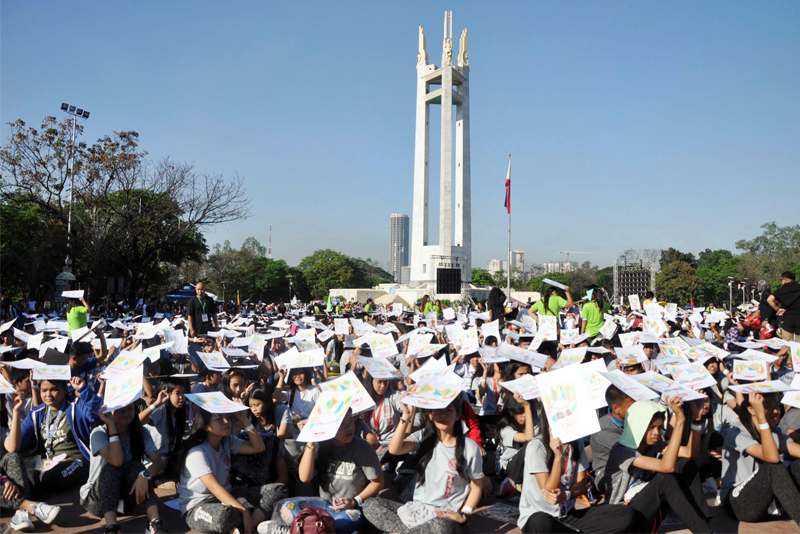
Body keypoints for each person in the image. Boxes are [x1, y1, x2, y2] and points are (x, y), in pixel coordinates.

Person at [362, 397, 483, 534]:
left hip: (446, 518)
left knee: (440, 527)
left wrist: (464, 515)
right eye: (438, 410)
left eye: (448, 410)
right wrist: (406, 416)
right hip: (417, 512)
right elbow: (394, 449)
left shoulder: (470, 447)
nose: (443, 415)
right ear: (431, 415)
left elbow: (476, 486)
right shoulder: (424, 436)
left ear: (457, 416)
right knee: (371, 505)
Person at [516, 402, 636, 534]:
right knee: (539, 522)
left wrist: (567, 495)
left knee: (624, 513)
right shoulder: (536, 446)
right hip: (540, 517)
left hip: (568, 516)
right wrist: (557, 457)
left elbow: (582, 484)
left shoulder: (576, 443)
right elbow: (549, 492)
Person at [601, 398, 712, 534]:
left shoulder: (652, 444)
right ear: (638, 426)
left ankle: (702, 522)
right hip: (622, 519)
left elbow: (690, 453)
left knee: (685, 464)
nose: (656, 433)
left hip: (645, 509)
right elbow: (667, 467)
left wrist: (696, 419)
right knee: (665, 479)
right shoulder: (622, 451)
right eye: (651, 427)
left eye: (659, 427)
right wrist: (680, 421)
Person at [177, 406, 289, 533]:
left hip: (228, 496)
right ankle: (252, 521)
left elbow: (258, 447)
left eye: (228, 418)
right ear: (206, 426)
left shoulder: (227, 441)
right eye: (219, 419)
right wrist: (244, 511)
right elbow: (214, 487)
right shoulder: (197, 452)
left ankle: (247, 526)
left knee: (278, 489)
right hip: (198, 506)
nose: (226, 422)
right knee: (224, 516)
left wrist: (244, 419)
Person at [4, 376, 101, 498]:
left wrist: (84, 389)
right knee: (21, 476)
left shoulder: (75, 406)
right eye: (44, 390)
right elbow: (15, 447)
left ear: (65, 390)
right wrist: (16, 411)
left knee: (50, 478)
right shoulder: (36, 413)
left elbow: (96, 415)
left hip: (76, 460)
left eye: (54, 389)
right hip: (48, 462)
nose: (48, 394)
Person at [80, 402, 167, 534]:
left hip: (126, 501)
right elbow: (116, 461)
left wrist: (145, 475)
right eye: (120, 410)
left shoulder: (140, 431)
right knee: (112, 468)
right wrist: (111, 426)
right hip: (98, 500)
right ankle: (111, 527)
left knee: (137, 468)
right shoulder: (98, 433)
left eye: (130, 409)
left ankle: (155, 523)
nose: (126, 413)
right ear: (109, 412)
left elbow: (158, 462)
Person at [292, 408, 384, 531]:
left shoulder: (362, 448)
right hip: (325, 505)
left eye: (350, 421)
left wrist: (354, 501)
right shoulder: (320, 445)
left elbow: (378, 482)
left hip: (353, 509)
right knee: (287, 509)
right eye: (341, 424)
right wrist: (311, 439)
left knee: (335, 524)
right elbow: (304, 477)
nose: (349, 428)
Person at [721, 392, 800, 523]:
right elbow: (772, 458)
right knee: (773, 466)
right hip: (739, 502)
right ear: (752, 409)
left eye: (777, 406)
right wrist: (761, 418)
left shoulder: (775, 431)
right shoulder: (736, 431)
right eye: (767, 406)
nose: (776, 411)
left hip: (767, 501)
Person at [3, 395, 62, 532]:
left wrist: (16, 411)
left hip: (5, 489)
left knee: (13, 456)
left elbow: (12, 448)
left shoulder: (2, 431)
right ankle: (30, 506)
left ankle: (20, 513)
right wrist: (2, 479)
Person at [140, 379, 188, 478]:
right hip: (153, 462)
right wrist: (157, 403)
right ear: (167, 394)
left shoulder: (179, 415)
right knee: (166, 463)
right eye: (178, 393)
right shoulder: (161, 410)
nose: (181, 397)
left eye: (183, 393)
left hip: (168, 457)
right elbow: (139, 421)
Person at [590, 385, 634, 487]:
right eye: (632, 406)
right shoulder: (603, 430)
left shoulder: (631, 419)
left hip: (630, 466)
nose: (637, 409)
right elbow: (633, 451)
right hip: (607, 475)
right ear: (616, 408)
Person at [494, 393, 536, 497]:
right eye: (520, 412)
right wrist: (526, 406)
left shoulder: (533, 424)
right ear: (511, 412)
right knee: (532, 444)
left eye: (526, 412)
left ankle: (520, 485)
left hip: (524, 467)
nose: (524, 415)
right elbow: (529, 438)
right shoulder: (505, 429)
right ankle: (512, 483)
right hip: (507, 468)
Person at [768, 270, 800, 342]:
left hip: (787, 319)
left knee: (787, 343)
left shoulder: (781, 290)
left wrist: (777, 309)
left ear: (785, 280)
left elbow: (769, 299)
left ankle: (789, 353)